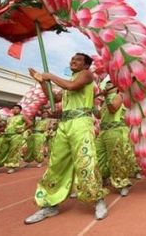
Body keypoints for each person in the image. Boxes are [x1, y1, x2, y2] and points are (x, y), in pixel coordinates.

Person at [24, 53, 108, 224]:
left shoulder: (86, 75)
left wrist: (49, 76)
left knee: (86, 161)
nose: (72, 61)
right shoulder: (67, 83)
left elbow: (72, 86)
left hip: (81, 123)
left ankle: (98, 200)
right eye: (71, 59)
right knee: (57, 163)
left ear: (86, 65)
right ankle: (49, 204)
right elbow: (53, 97)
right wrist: (42, 81)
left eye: (77, 59)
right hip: (64, 124)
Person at [95, 81, 138, 196]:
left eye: (110, 84)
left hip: (115, 130)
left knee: (116, 158)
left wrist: (106, 98)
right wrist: (91, 104)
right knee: (98, 156)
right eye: (107, 84)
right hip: (103, 132)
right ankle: (104, 177)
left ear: (116, 87)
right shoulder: (105, 101)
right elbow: (99, 115)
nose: (108, 85)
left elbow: (113, 109)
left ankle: (122, 183)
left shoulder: (120, 96)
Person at [0, 105, 31, 174]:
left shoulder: (22, 116)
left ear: (20, 110)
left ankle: (12, 167)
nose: (15, 110)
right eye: (13, 108)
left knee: (13, 151)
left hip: (16, 136)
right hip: (6, 135)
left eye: (17, 108)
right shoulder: (9, 118)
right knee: (2, 151)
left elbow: (30, 123)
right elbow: (6, 127)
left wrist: (23, 129)